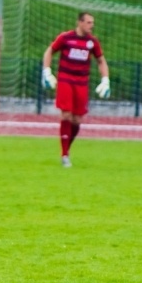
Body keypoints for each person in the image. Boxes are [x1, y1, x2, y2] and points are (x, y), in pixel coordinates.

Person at [42, 12, 110, 168]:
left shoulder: (92, 42)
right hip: (65, 79)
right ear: (80, 22)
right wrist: (46, 71)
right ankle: (65, 154)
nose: (91, 25)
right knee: (66, 114)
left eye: (92, 22)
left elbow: (101, 61)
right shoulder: (66, 38)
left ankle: (66, 149)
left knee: (77, 119)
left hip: (82, 82)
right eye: (88, 22)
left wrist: (105, 80)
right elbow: (49, 51)